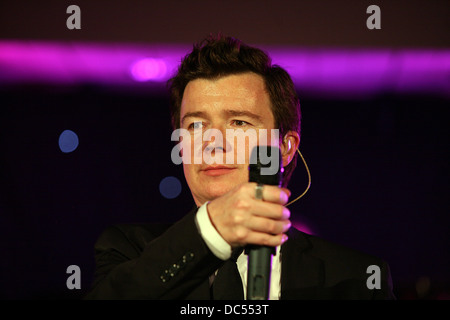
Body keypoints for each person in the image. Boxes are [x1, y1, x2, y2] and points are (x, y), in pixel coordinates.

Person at [85, 35, 395, 300]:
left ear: (285, 148)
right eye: (195, 124)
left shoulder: (355, 279)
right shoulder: (128, 251)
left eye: (239, 122)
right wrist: (211, 231)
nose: (212, 141)